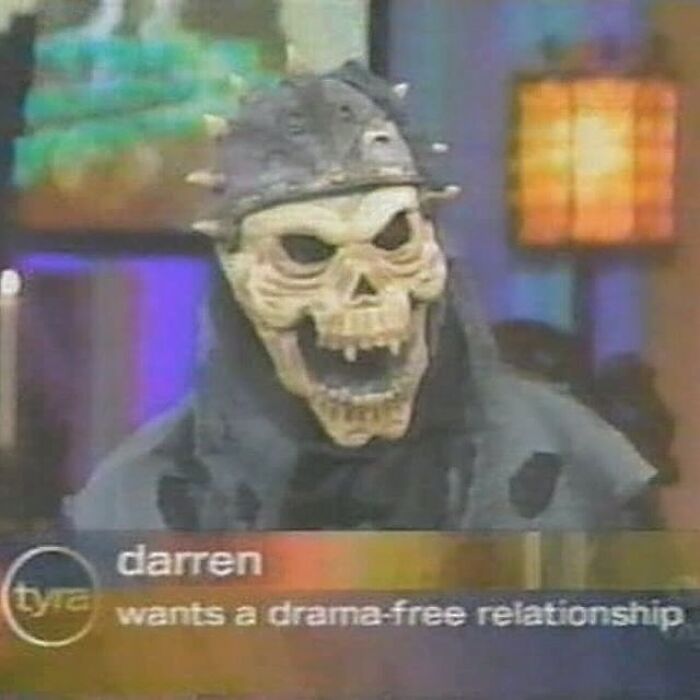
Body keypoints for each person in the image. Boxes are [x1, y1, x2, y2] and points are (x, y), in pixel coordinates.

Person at [69, 63, 658, 531]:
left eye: (393, 239)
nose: (363, 283)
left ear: (435, 244)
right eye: (306, 251)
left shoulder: (582, 470)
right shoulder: (137, 504)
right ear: (235, 271)